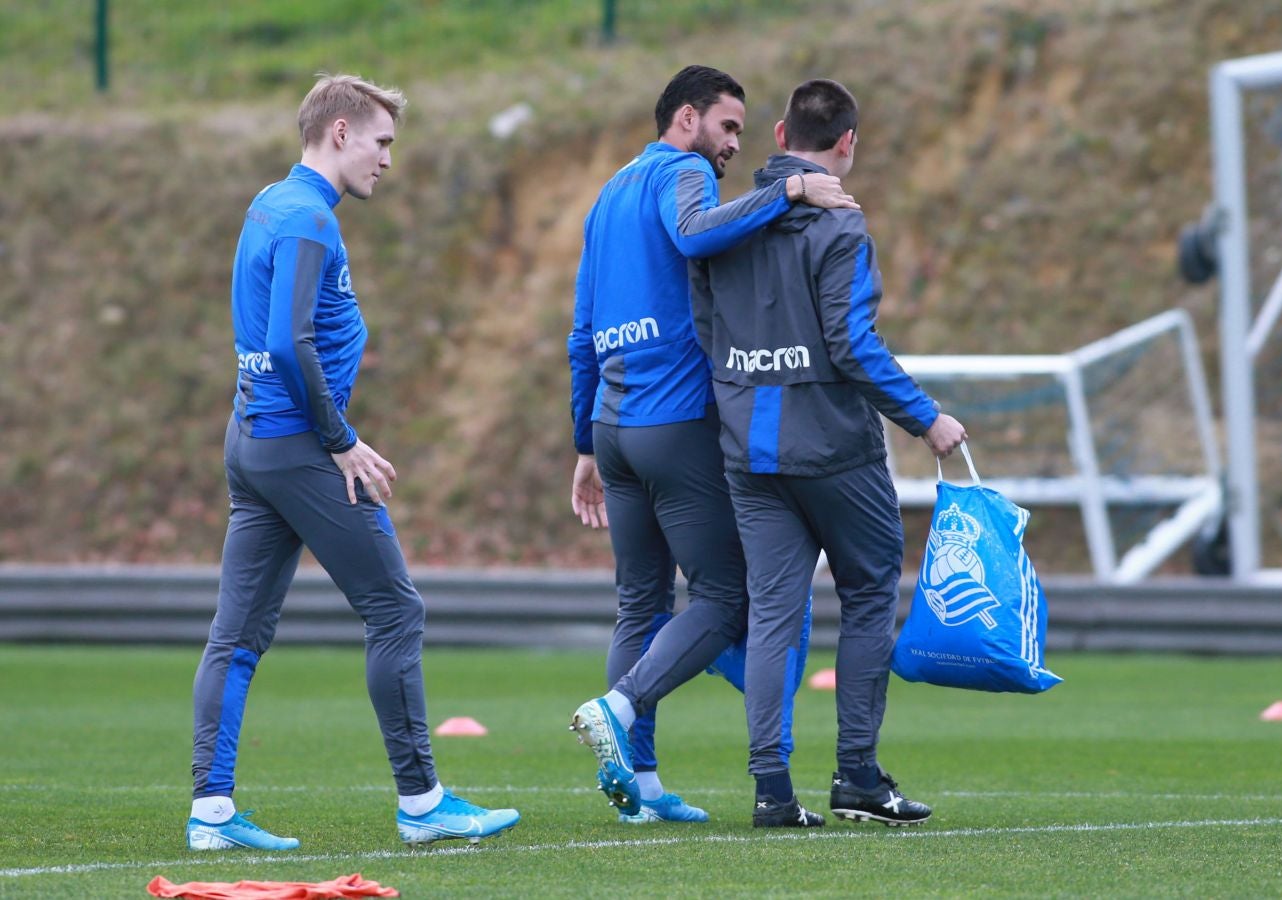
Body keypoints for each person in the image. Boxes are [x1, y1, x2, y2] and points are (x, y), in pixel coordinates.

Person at [185, 73, 519, 852]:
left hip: (254, 441)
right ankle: (423, 802)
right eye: (382, 142)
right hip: (300, 447)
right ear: (340, 133)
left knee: (235, 637)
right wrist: (340, 439)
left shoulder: (272, 201)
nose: (387, 160)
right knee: (396, 610)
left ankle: (211, 815)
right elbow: (286, 342)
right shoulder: (306, 220)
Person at [566, 65, 859, 823]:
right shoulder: (683, 171)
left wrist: (585, 443)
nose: (734, 144)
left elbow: (582, 328)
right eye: (728, 126)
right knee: (728, 598)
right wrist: (789, 191)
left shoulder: (606, 194)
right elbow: (697, 232)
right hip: (675, 423)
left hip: (615, 424)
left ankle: (644, 787)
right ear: (687, 118)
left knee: (641, 603)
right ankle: (621, 707)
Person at [689, 78, 967, 827]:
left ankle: (772, 791)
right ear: (847, 142)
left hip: (750, 448)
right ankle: (856, 777)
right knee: (870, 597)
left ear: (779, 134)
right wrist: (925, 418)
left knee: (775, 613)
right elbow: (852, 344)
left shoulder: (722, 223)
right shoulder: (841, 225)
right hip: (834, 450)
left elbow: (708, 333)